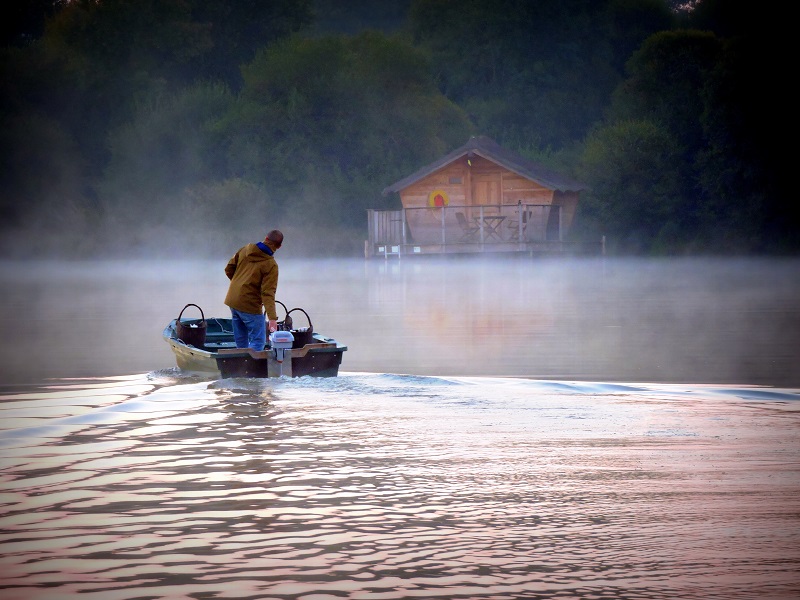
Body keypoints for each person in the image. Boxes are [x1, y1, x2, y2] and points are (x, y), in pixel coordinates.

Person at [224, 230, 284, 351]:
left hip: (233, 300)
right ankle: (250, 368)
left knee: (241, 341)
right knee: (258, 341)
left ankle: (240, 365)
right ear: (279, 246)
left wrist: (239, 285)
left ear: (266, 238)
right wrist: (272, 319)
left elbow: (228, 268)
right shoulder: (271, 265)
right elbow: (267, 293)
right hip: (250, 305)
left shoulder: (246, 249)